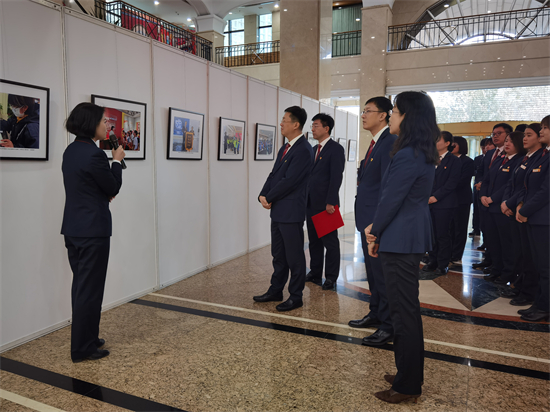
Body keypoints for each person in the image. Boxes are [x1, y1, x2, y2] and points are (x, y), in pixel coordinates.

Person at [365, 91, 438, 404]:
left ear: (407, 116)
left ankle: (408, 385)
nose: (391, 116)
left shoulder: (408, 154)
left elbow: (391, 198)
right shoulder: (418, 151)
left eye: (394, 111)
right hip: (405, 236)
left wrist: (374, 230)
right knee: (404, 311)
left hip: (400, 237)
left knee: (403, 313)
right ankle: (407, 373)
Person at [61, 102, 125, 363]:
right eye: (103, 122)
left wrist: (103, 192)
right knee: (90, 290)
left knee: (81, 287)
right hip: (93, 232)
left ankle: (88, 337)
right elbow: (113, 186)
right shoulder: (95, 155)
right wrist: (117, 162)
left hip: (74, 229)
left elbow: (87, 186)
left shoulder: (71, 151)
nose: (106, 126)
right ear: (91, 124)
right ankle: (82, 348)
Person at [348, 97, 397, 348]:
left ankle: (387, 325)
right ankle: (376, 312)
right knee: (373, 275)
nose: (363, 115)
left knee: (381, 275)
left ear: (384, 115)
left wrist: (377, 224)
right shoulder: (375, 143)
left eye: (368, 111)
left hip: (375, 223)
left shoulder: (389, 142)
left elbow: (387, 189)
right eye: (363, 111)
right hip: (367, 220)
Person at [254, 106, 313, 312]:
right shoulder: (285, 148)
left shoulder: (304, 150)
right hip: (278, 210)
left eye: (284, 120)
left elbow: (290, 181)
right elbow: (274, 175)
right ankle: (275, 290)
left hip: (291, 212)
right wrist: (262, 194)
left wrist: (269, 196)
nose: (281, 123)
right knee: (278, 254)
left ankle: (296, 296)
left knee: (294, 256)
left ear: (296, 124)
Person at [501, 123, 542, 304]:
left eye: (529, 135)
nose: (525, 138)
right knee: (520, 253)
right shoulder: (526, 158)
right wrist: (507, 202)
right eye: (524, 135)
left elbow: (537, 189)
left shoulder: (541, 157)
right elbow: (513, 183)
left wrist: (517, 204)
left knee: (530, 257)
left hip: (530, 213)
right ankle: (520, 286)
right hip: (518, 209)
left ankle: (528, 292)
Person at [305, 113, 345, 291]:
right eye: (312, 126)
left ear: (326, 128)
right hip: (310, 203)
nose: (312, 129)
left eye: (315, 125)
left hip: (326, 205)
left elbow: (336, 177)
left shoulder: (335, 149)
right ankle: (315, 272)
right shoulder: (313, 150)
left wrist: (331, 202)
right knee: (313, 241)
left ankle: (330, 277)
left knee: (330, 242)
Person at [516, 115, 549, 322]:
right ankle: (540, 301)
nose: (542, 131)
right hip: (536, 218)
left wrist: (524, 209)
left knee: (546, 266)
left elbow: (546, 191)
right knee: (539, 264)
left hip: (545, 219)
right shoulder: (544, 156)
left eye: (546, 128)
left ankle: (545, 306)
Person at [480, 132, 525, 284]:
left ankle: (507, 273)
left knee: (506, 243)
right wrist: (483, 196)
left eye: (511, 141)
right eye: (506, 141)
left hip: (503, 208)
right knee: (493, 242)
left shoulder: (519, 161)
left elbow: (509, 186)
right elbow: (486, 180)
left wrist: (492, 198)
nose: (507, 144)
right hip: (488, 206)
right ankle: (496, 269)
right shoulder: (500, 159)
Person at [472, 123, 512, 271]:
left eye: (499, 133)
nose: (494, 136)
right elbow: (482, 173)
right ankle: (489, 259)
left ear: (508, 136)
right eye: (493, 134)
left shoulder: (509, 155)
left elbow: (508, 181)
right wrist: (480, 186)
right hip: (484, 197)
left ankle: (499, 266)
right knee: (488, 232)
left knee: (500, 237)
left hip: (499, 201)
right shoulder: (490, 153)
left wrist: (492, 196)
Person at [422, 131, 460, 276]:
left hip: (445, 203)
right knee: (431, 233)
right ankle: (432, 260)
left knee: (442, 235)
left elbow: (452, 183)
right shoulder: (430, 158)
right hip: (427, 202)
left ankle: (443, 263)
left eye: (438, 140)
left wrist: (436, 197)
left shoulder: (454, 160)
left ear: (447, 143)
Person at [450, 136, 475, 263]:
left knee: (460, 227)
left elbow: (463, 180)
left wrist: (448, 186)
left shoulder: (468, 161)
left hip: (461, 198)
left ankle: (457, 254)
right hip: (448, 198)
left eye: (455, 143)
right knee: (449, 227)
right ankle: (448, 251)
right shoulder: (448, 160)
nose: (452, 145)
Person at [470, 138, 494, 237]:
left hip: (490, 190)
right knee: (477, 210)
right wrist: (479, 182)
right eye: (484, 146)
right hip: (478, 187)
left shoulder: (499, 157)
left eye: (489, 145)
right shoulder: (479, 158)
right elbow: (478, 172)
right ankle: (476, 229)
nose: (486, 147)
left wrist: (483, 183)